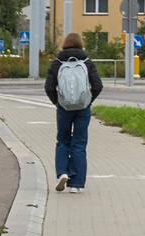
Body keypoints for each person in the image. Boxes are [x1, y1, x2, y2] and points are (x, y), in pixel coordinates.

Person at [44, 32, 104, 193]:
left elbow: (48, 87)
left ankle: (62, 172)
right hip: (83, 108)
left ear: (64, 44)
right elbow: (98, 85)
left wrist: (58, 102)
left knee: (62, 141)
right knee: (79, 143)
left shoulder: (57, 62)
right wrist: (87, 101)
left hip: (64, 108)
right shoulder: (86, 62)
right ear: (80, 44)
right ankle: (76, 185)